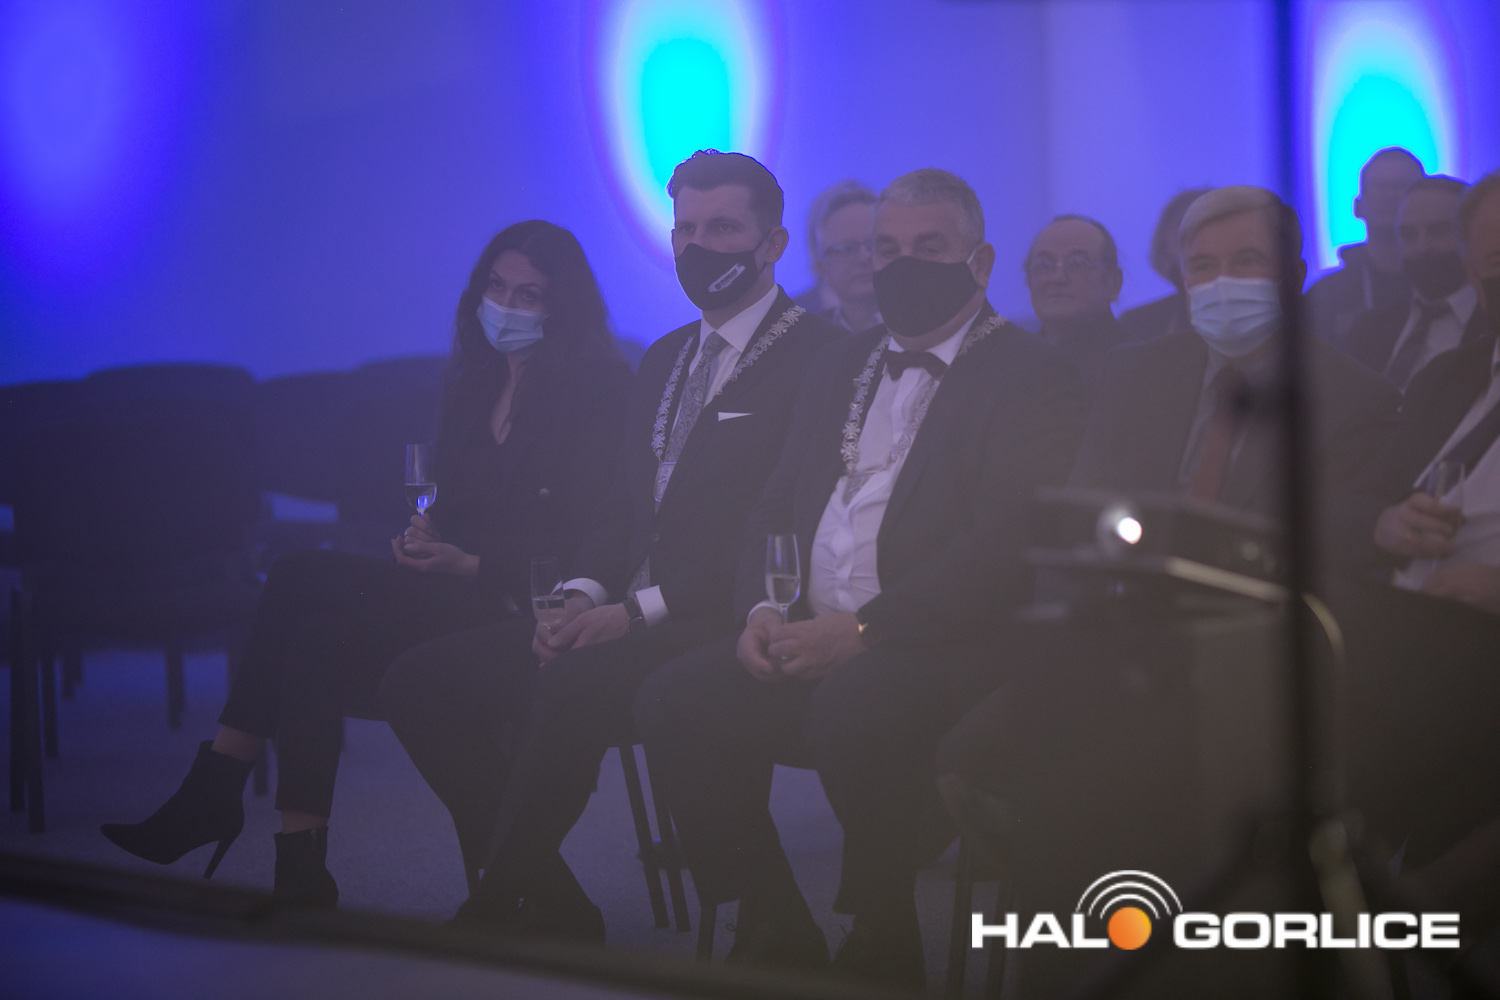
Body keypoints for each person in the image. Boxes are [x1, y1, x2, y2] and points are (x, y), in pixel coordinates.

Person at [633, 168, 1089, 989]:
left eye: (929, 247)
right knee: (675, 699)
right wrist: (763, 607)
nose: (902, 264)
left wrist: (866, 630)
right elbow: (777, 502)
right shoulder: (838, 362)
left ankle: (883, 929)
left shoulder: (1033, 376)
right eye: (887, 248)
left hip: (948, 640)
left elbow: (1003, 543)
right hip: (812, 626)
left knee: (855, 704)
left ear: (980, 262)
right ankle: (773, 917)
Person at [100, 221, 633, 906]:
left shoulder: (598, 391)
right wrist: (429, 537)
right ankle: (300, 869)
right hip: (456, 591)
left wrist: (469, 563)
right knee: (311, 637)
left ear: (562, 307)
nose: (505, 306)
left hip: (523, 602)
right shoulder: (476, 382)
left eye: (527, 295)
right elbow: (461, 507)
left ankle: (215, 789)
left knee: (296, 573)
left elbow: (585, 533)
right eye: (496, 287)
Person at [379, 151, 843, 937]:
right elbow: (622, 506)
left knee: (574, 682)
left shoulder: (820, 357)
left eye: (723, 229)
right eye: (686, 230)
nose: (699, 247)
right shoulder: (664, 356)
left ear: (772, 244)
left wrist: (634, 611)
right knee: (417, 684)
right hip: (625, 605)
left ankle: (496, 902)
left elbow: (784, 522)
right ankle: (551, 896)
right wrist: (580, 594)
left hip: (728, 610)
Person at [1067, 185, 1398, 562]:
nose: (1222, 282)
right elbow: (1078, 518)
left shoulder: (1355, 401)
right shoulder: (1131, 375)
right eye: (1203, 266)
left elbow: (1332, 547)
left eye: (1246, 261)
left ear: (1294, 277)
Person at [1346, 176, 1489, 390]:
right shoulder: (1368, 329)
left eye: (1438, 230)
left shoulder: (1492, 324)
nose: (1422, 246)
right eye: (1408, 234)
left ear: (1472, 236)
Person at [1305, 147, 1425, 347]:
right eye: (1379, 187)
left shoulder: (1445, 286)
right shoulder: (1323, 298)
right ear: (1357, 207)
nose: (1389, 195)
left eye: (1401, 186)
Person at [1024, 214, 1127, 389]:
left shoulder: (1133, 367)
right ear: (1029, 281)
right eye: (1044, 265)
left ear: (1113, 283)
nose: (1057, 278)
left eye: (1077, 264)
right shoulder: (1013, 363)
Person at [1117, 187, 1209, 342]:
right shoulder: (1138, 323)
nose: (1197, 234)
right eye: (1184, 224)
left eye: (1207, 223)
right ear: (1163, 240)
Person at [805, 180, 882, 332]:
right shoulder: (797, 328)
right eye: (846, 248)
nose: (864, 258)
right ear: (822, 267)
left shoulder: (925, 317)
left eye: (872, 244)